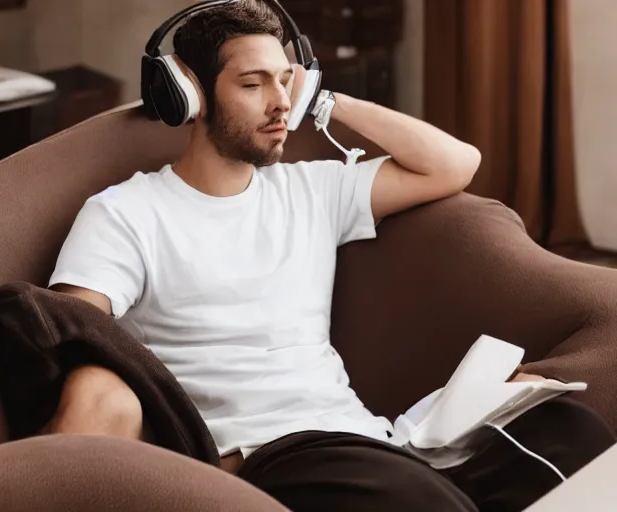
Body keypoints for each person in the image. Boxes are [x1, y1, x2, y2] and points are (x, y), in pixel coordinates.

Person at [45, 1, 615, 510]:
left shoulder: (311, 190)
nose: (278, 104)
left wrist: (326, 98)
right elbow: (78, 335)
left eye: (285, 82)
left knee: (573, 439)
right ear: (188, 94)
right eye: (252, 84)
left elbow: (454, 163)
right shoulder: (126, 213)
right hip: (268, 456)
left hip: (373, 439)